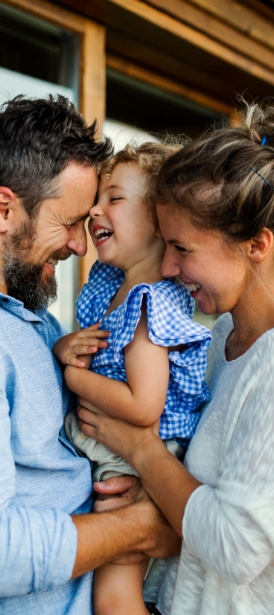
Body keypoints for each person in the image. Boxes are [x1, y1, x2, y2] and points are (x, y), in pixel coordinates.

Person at [76, 100, 274, 615]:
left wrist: (141, 452)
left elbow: (238, 548)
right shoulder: (220, 336)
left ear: (256, 245)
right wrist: (157, 524)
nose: (166, 268)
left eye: (182, 249)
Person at [0, 95, 181, 615]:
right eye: (69, 222)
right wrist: (142, 527)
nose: (81, 247)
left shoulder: (41, 326)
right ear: (5, 210)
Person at [53, 143, 212, 615]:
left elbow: (144, 405)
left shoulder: (150, 303)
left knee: (114, 596)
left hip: (133, 461)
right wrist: (67, 347)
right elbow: (91, 347)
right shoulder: (109, 285)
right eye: (97, 198)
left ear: (159, 223)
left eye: (114, 198)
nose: (95, 210)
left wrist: (72, 377)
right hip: (112, 448)